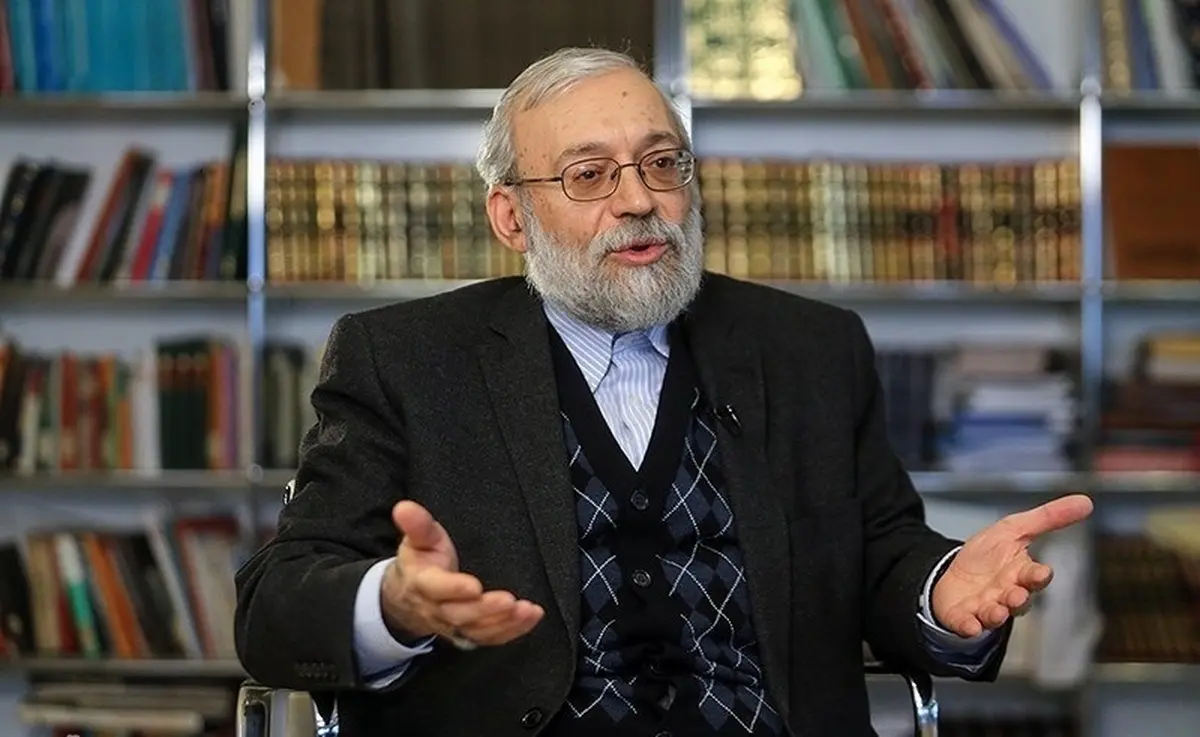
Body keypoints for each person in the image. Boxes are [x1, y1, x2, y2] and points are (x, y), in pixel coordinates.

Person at [233, 46, 1093, 737]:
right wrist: (393, 604)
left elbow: (878, 552)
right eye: (588, 175)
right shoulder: (406, 359)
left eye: (661, 162)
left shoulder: (809, 349)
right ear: (511, 217)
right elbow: (276, 604)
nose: (639, 200)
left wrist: (939, 592)